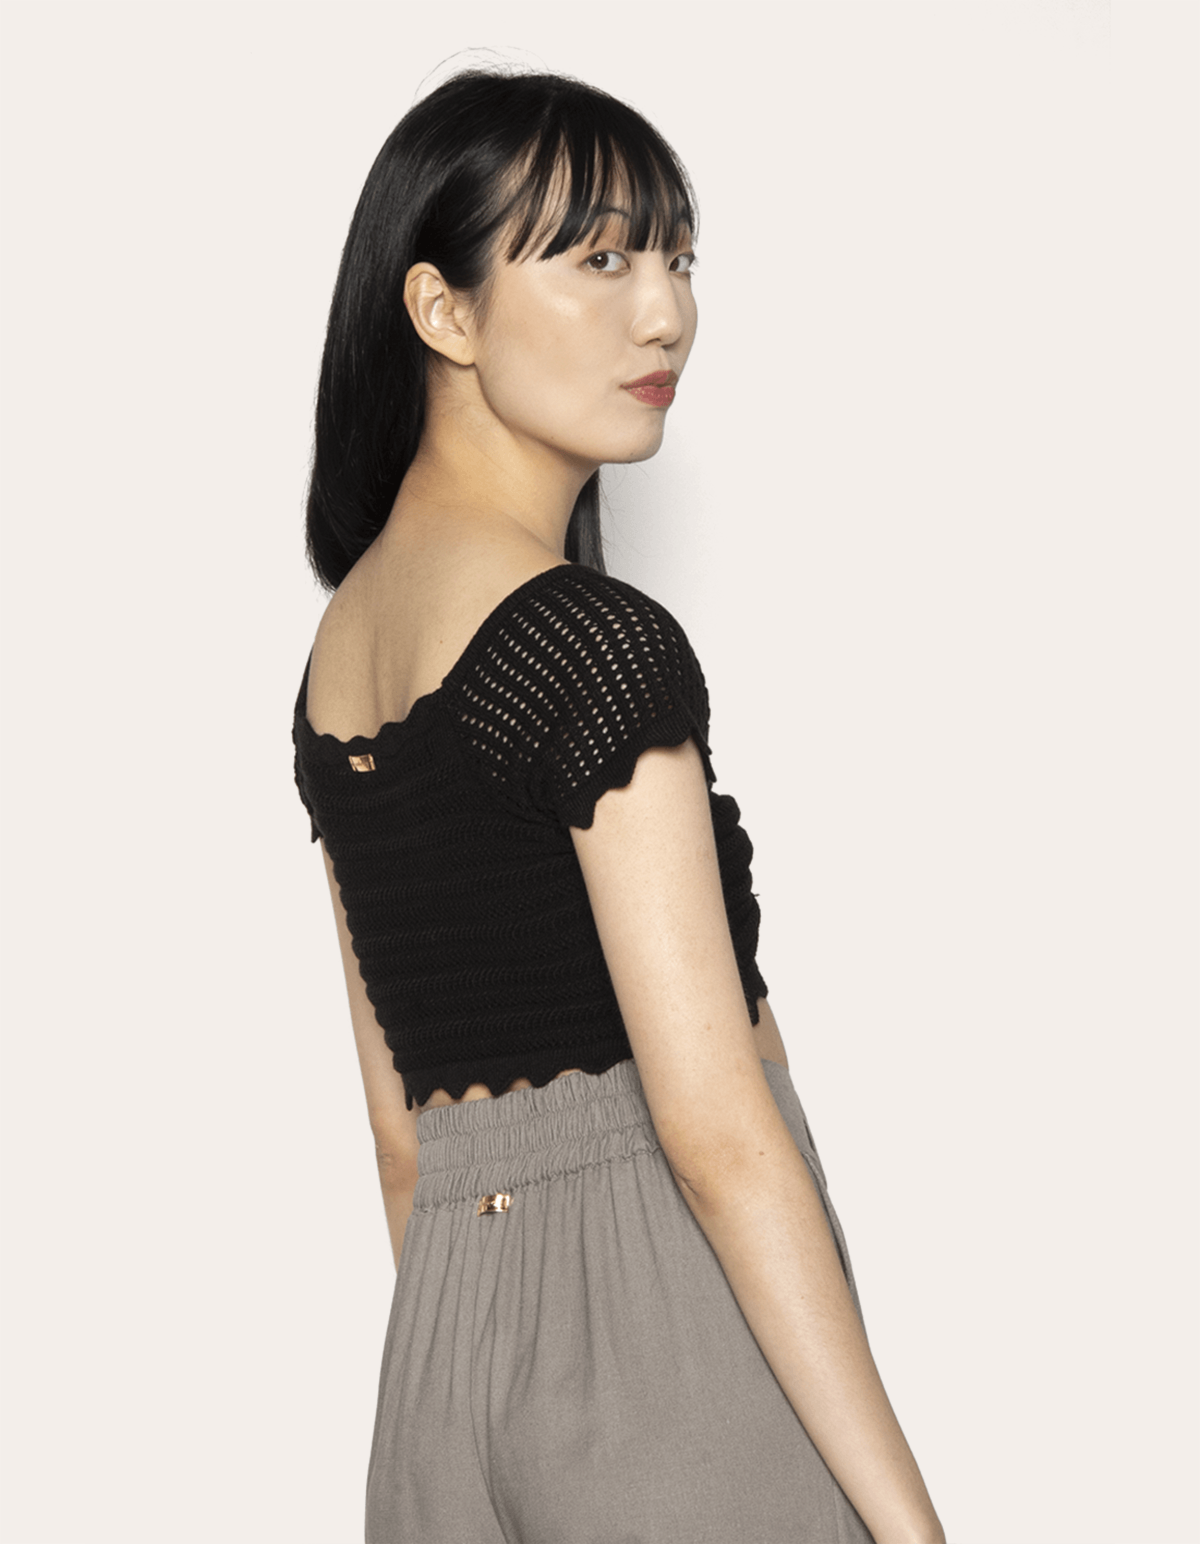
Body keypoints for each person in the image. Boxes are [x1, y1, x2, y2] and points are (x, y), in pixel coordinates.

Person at [291, 66, 946, 1544]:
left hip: (439, 1372)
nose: (664, 315)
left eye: (677, 259)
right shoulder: (588, 645)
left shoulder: (338, 659)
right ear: (444, 311)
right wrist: (910, 1526)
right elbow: (715, 1128)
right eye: (598, 260)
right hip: (667, 1355)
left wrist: (490, 1368)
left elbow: (403, 1141)